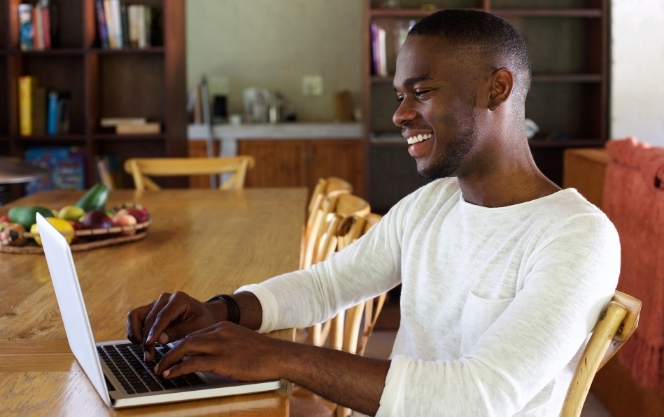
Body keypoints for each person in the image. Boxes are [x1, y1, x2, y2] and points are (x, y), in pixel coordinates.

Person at [127, 9, 619, 416]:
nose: (400, 114)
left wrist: (279, 356)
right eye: (400, 96)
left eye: (421, 92)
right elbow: (328, 286)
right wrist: (220, 311)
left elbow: (475, 399)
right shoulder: (433, 204)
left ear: (498, 89)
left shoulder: (576, 237)